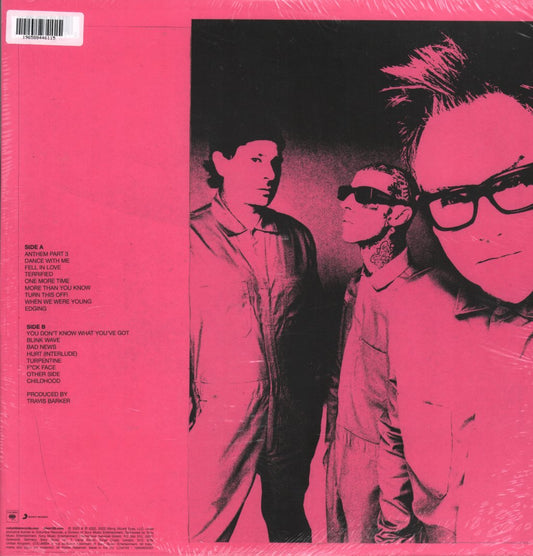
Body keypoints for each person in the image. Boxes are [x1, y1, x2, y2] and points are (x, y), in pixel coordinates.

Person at [374, 36, 533, 543]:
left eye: (514, 183)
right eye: (452, 198)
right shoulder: (411, 307)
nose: (486, 227)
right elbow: (393, 437)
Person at [189, 115, 323, 542]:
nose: (269, 173)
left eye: (275, 162)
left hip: (292, 416)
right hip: (221, 415)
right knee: (203, 534)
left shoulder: (297, 237)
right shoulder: (188, 236)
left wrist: (315, 402)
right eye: (256, 159)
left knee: (292, 529)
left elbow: (314, 329)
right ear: (221, 162)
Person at [325, 163, 417, 543]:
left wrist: (394, 517)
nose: (346, 203)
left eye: (364, 197)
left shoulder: (413, 300)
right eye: (346, 193)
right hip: (338, 452)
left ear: (397, 215)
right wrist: (329, 448)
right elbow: (339, 376)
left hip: (380, 468)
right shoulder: (356, 283)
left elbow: (406, 425)